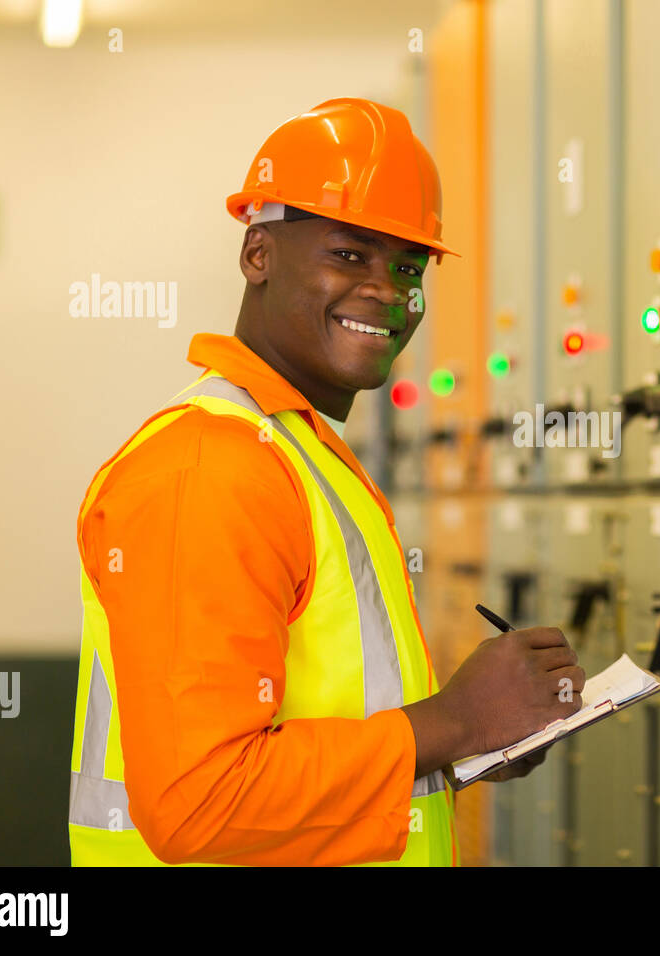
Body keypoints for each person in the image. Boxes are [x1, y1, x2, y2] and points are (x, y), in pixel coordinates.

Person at [67, 98, 584, 866]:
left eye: (408, 267)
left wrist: (466, 746)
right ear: (258, 254)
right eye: (350, 254)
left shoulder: (298, 451)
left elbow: (326, 733)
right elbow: (198, 805)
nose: (386, 290)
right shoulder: (211, 470)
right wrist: (455, 722)